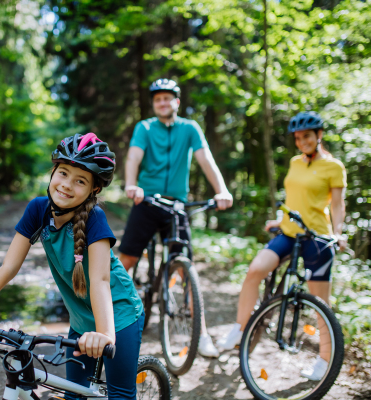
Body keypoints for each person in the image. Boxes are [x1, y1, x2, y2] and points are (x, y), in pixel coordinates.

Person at [0, 133, 144, 400]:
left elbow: (102, 281)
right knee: (74, 395)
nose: (67, 185)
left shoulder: (95, 219)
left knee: (120, 394)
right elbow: (8, 268)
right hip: (81, 320)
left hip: (118, 315)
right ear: (53, 172)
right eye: (63, 173)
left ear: (94, 189)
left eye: (80, 180)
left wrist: (105, 333)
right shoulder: (38, 210)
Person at [216, 111, 347, 380]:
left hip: (317, 236)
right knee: (254, 271)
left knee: (321, 301)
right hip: (288, 232)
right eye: (298, 138)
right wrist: (280, 219)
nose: (302, 142)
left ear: (319, 136)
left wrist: (338, 233)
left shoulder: (334, 167)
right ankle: (240, 330)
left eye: (307, 137)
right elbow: (294, 197)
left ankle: (324, 361)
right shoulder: (295, 162)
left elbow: (337, 204)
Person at [120, 78, 233, 358]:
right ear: (154, 103)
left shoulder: (190, 128)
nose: (162, 103)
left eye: (167, 98)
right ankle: (108, 318)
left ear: (176, 102)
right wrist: (131, 184)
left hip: (177, 206)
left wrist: (222, 190)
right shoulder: (144, 127)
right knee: (127, 260)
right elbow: (134, 157)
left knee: (185, 269)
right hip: (146, 201)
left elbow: (206, 159)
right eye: (157, 99)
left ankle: (201, 334)